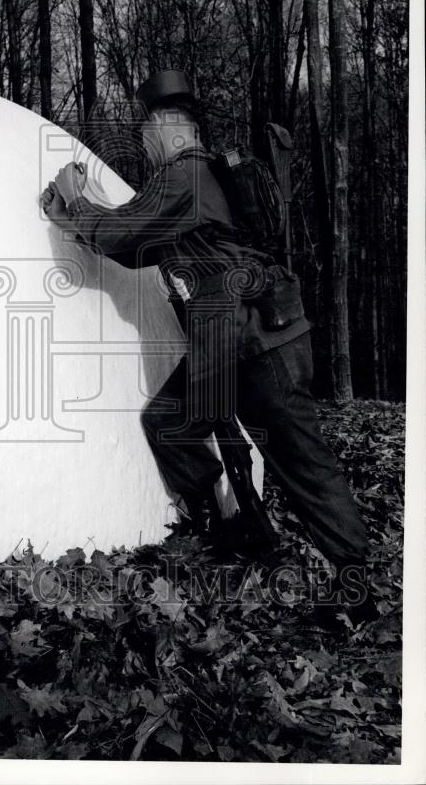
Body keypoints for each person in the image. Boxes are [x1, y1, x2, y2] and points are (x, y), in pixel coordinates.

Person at [41, 70, 377, 626]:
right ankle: (220, 529)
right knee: (170, 423)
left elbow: (124, 234)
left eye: (146, 133)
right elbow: (135, 248)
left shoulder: (186, 176)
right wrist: (84, 221)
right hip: (229, 345)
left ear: (166, 126)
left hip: (257, 342)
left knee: (300, 462)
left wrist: (77, 204)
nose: (144, 146)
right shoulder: (198, 182)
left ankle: (354, 585)